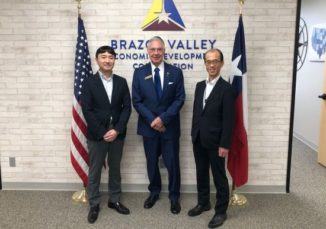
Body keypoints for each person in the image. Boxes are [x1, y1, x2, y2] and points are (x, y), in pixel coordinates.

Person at [132, 36, 185, 214]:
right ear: (148, 51)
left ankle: (174, 196)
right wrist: (153, 121)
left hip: (169, 127)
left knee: (172, 163)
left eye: (159, 49)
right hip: (149, 128)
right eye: (152, 49)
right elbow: (137, 101)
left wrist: (163, 119)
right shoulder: (139, 73)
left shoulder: (176, 72)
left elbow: (179, 99)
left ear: (164, 51)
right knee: (151, 162)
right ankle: (154, 192)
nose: (156, 53)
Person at [81, 46, 132, 224]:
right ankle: (94, 204)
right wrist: (103, 132)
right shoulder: (88, 82)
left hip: (117, 133)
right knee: (95, 171)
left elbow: (127, 108)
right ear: (97, 60)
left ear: (114, 60)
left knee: (115, 168)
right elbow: (86, 109)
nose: (107, 60)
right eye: (104, 57)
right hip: (97, 134)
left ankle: (114, 200)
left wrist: (117, 129)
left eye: (111, 57)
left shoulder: (121, 81)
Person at [188, 48, 235, 228]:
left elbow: (229, 120)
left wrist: (225, 144)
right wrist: (194, 133)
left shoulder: (227, 89)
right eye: (208, 61)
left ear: (222, 63)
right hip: (199, 139)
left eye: (215, 61)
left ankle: (221, 211)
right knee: (201, 173)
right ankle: (203, 202)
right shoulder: (200, 86)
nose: (212, 64)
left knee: (219, 177)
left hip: (217, 143)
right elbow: (197, 113)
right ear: (205, 64)